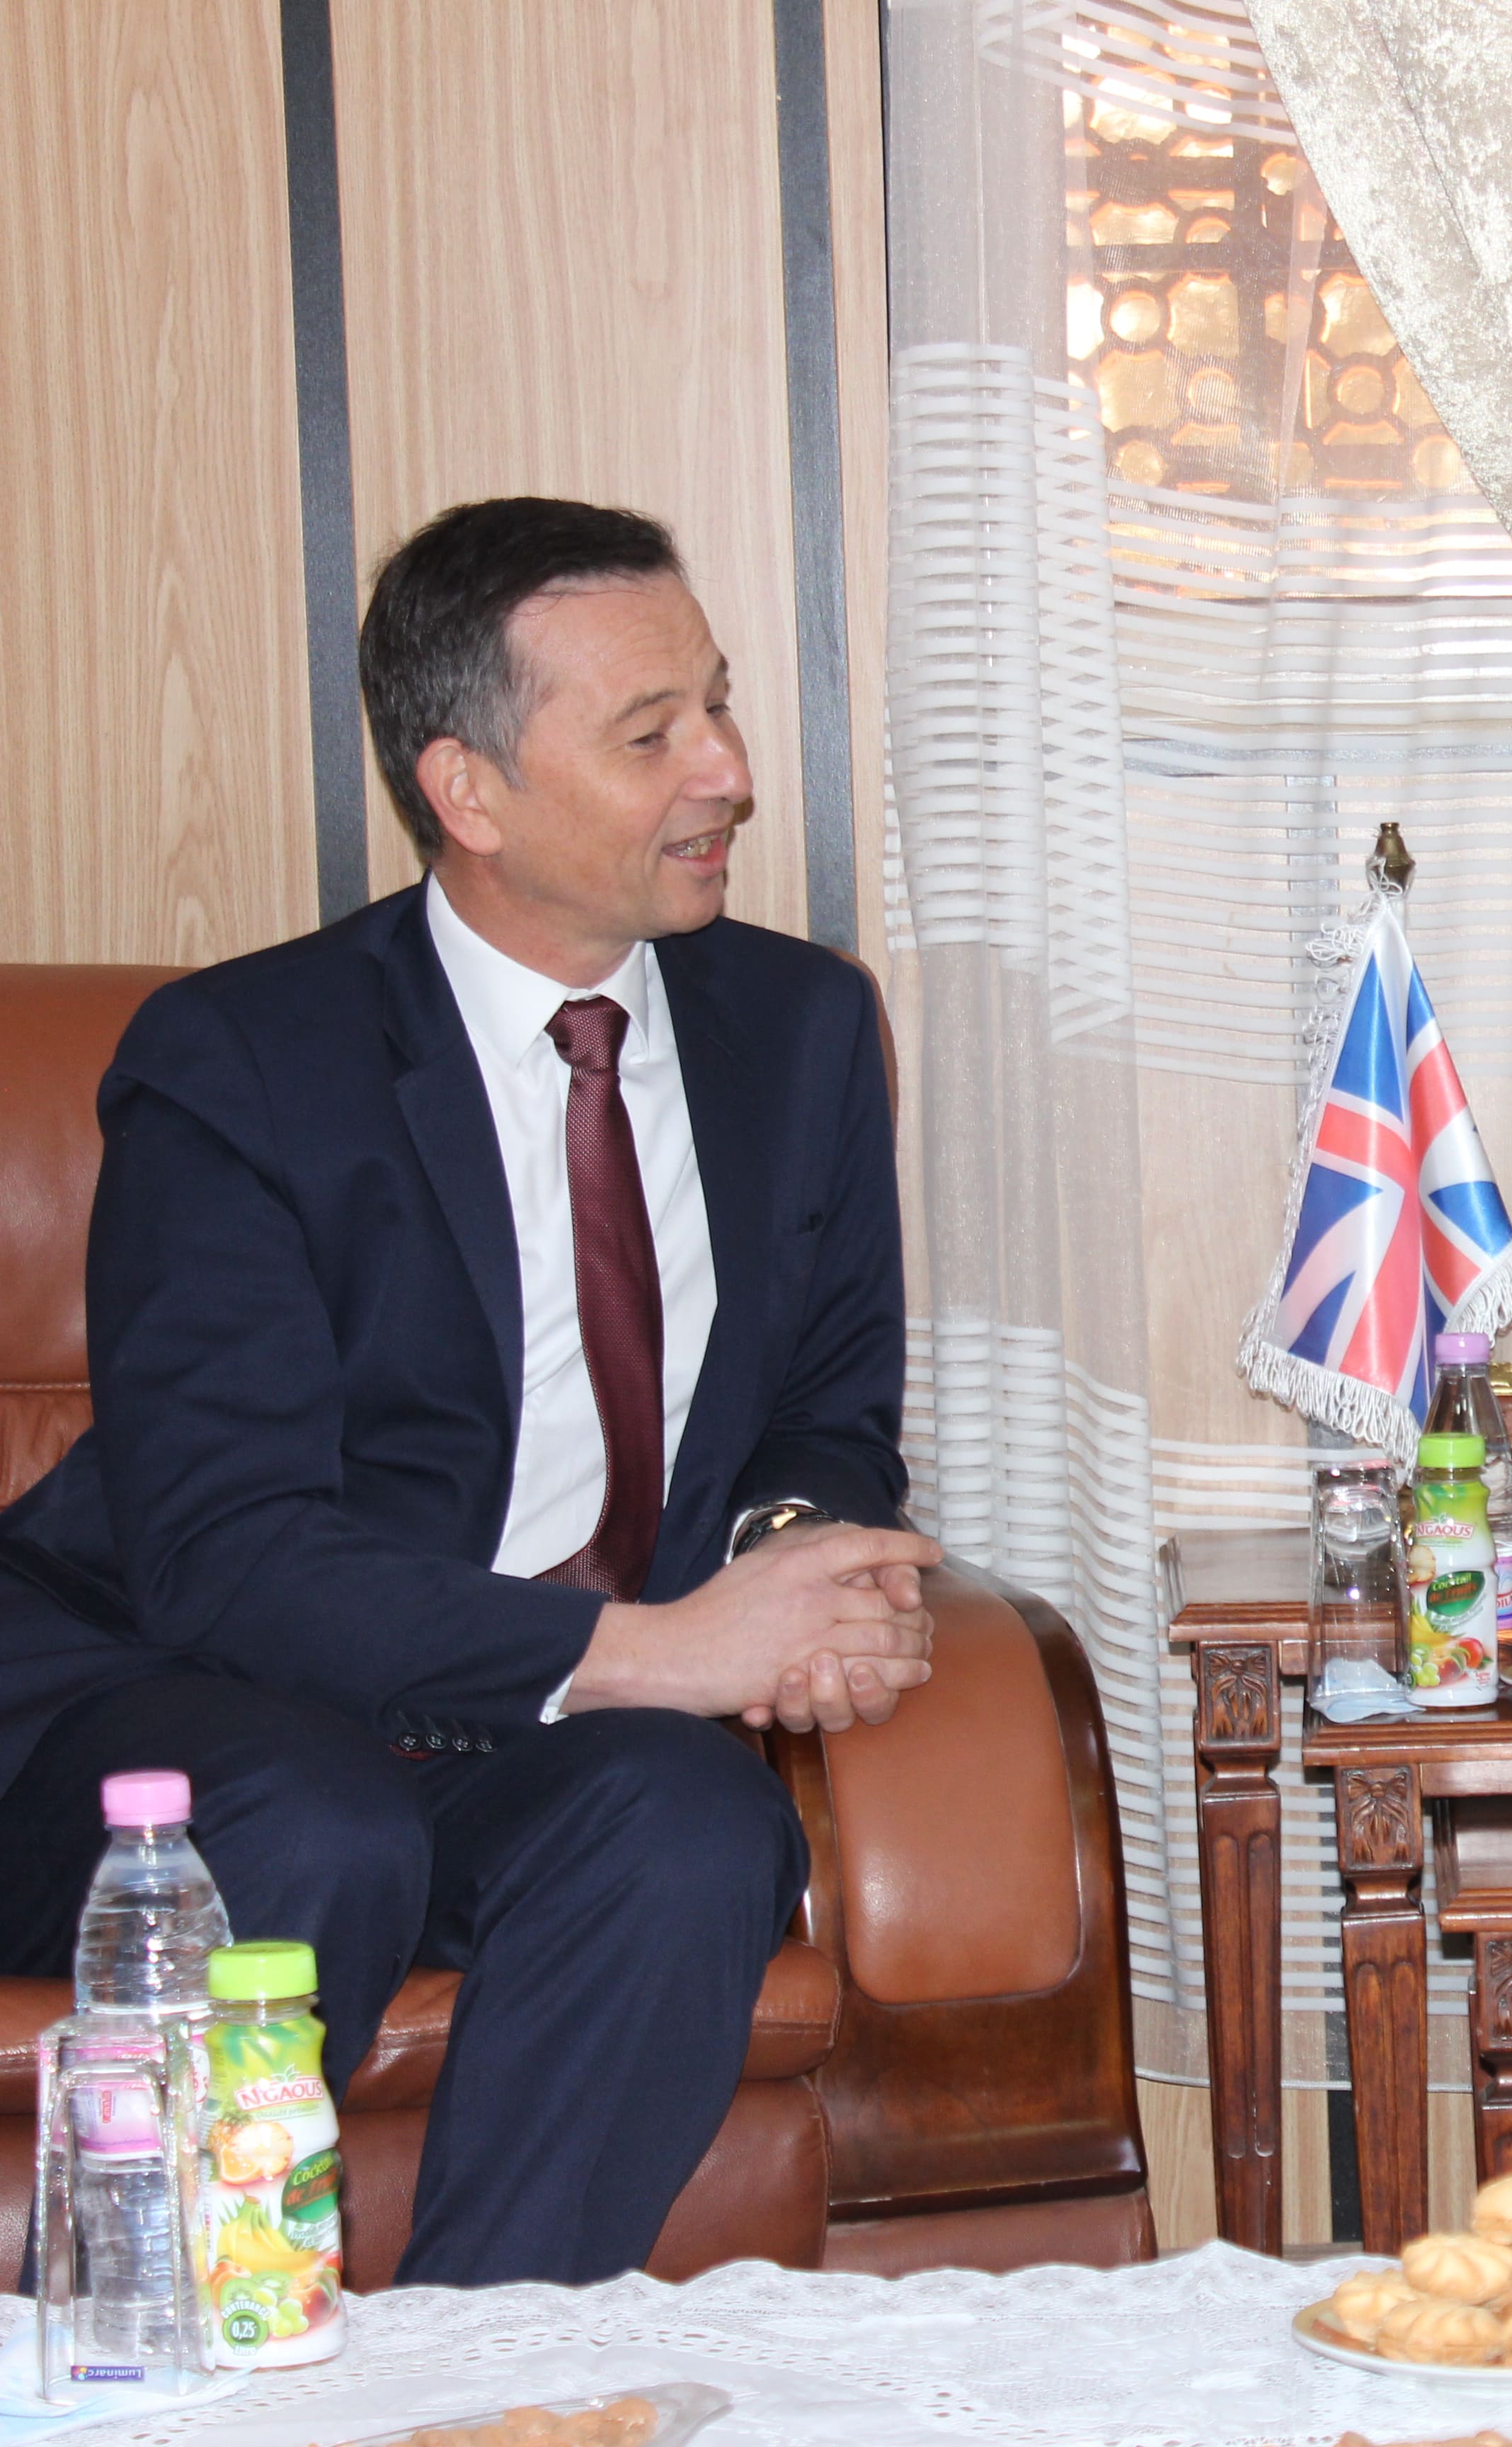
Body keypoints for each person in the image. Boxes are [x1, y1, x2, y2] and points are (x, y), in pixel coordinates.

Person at [0, 498, 943, 2285]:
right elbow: (228, 1556)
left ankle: (484, 2378)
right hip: (181, 1700)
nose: (729, 773)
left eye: (719, 705)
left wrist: (798, 1574)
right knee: (321, 1824)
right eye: (652, 734)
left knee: (695, 1827)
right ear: (470, 791)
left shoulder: (798, 1031)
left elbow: (823, 1413)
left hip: (522, 1746)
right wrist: (661, 1653)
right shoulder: (242, 1064)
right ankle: (187, 2369)